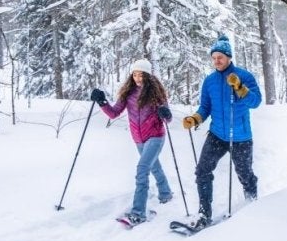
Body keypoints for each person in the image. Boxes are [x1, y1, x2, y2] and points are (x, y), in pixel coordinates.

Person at [182, 35, 262, 229]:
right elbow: (205, 107)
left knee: (244, 173)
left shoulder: (244, 76)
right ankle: (204, 214)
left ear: (229, 57)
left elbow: (256, 102)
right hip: (217, 135)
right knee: (202, 170)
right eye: (214, 57)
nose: (217, 61)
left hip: (241, 136)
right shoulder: (209, 81)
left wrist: (240, 88)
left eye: (221, 57)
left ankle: (253, 202)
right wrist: (195, 118)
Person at [90, 59, 173, 225]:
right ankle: (166, 194)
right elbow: (114, 113)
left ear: (148, 75)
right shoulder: (128, 94)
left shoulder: (156, 94)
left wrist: (165, 113)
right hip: (138, 139)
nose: (137, 77)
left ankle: (138, 213)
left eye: (141, 74)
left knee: (142, 170)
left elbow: (168, 118)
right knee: (154, 166)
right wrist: (102, 102)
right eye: (135, 74)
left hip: (156, 136)